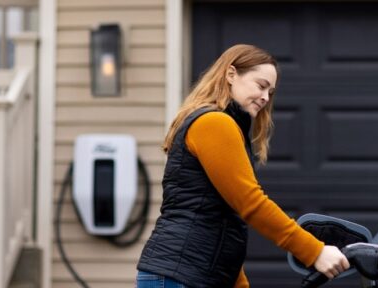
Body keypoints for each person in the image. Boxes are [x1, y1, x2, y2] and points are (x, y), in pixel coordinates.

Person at [136, 44, 349, 288]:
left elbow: (224, 221)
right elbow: (251, 203)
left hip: (191, 275)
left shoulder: (219, 124)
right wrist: (314, 251)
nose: (265, 97)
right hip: (180, 275)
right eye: (261, 85)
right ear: (231, 74)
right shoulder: (214, 123)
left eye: (270, 91)